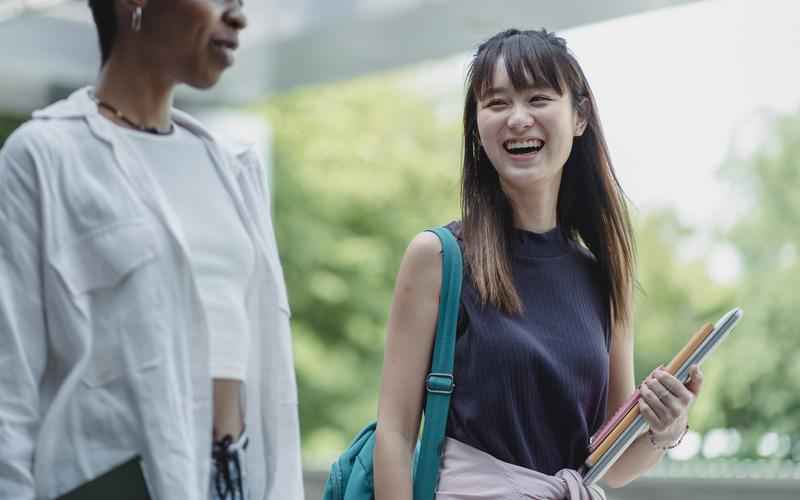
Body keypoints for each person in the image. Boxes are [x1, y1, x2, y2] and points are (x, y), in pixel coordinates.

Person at [373, 28, 704, 500]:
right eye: (497, 103)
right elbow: (395, 434)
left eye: (538, 98)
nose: (518, 119)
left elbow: (612, 466)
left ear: (579, 116)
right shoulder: (438, 258)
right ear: (476, 125)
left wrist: (665, 428)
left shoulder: (604, 277)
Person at [0, 1, 303, 499]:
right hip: (105, 483)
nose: (239, 16)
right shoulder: (44, 156)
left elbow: (272, 372)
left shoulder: (233, 170)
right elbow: (10, 389)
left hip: (233, 481)